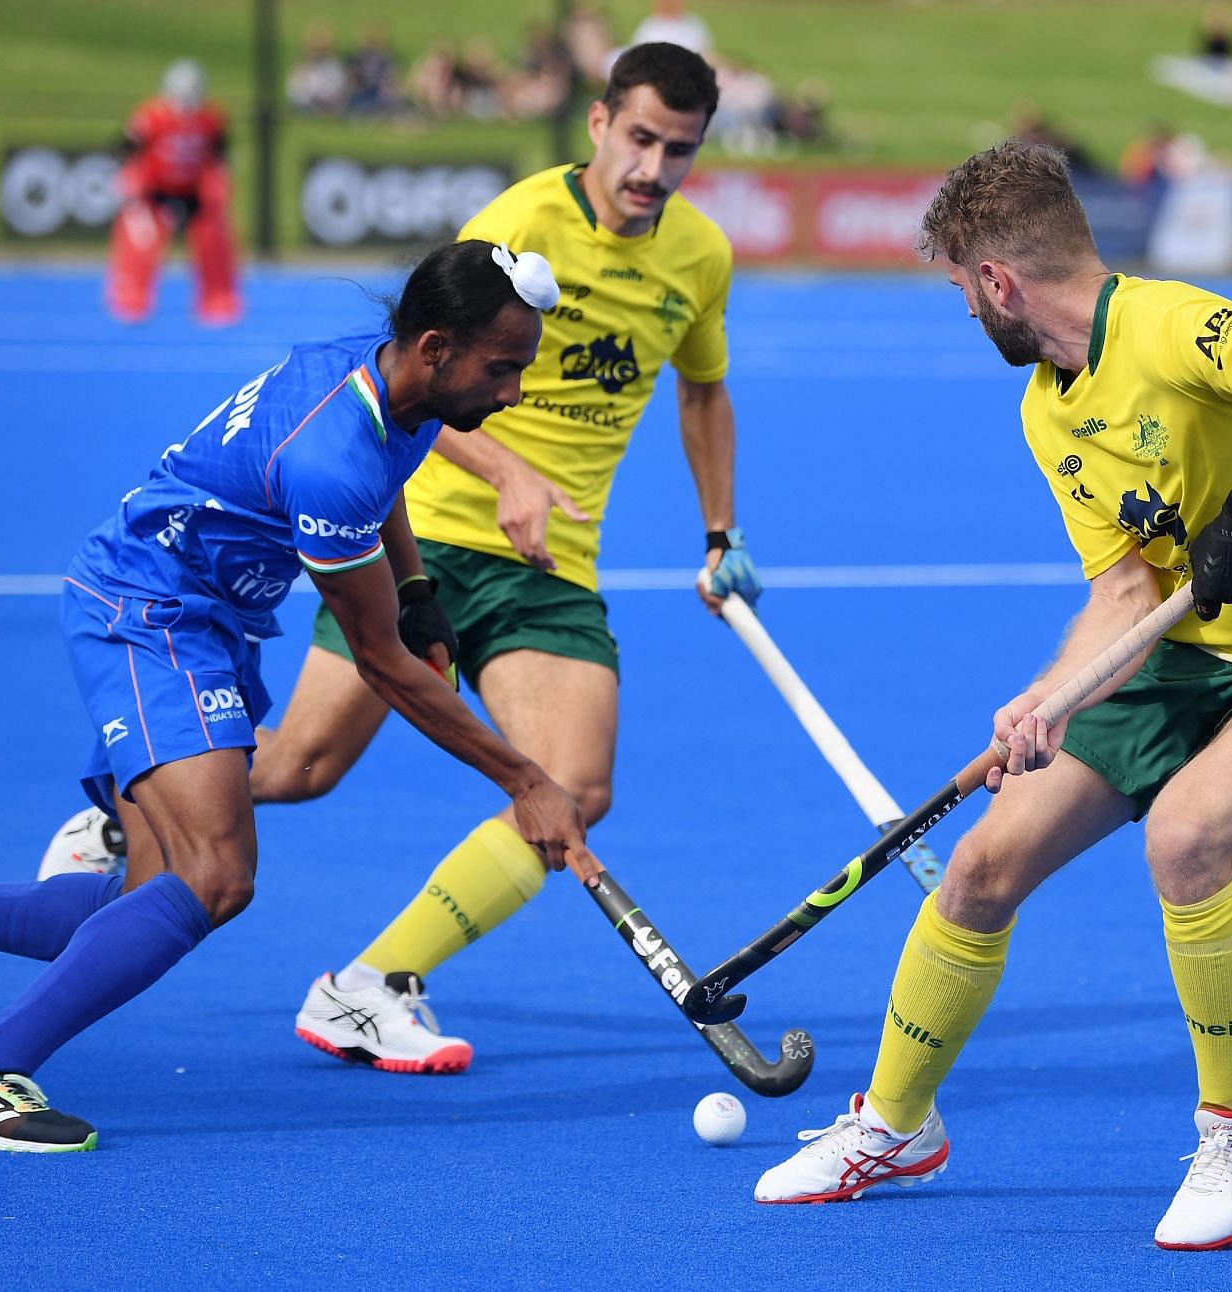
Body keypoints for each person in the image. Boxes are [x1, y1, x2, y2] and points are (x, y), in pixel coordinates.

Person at [754, 140, 1232, 1253]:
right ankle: (895, 1122)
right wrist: (1050, 695)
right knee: (979, 865)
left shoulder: (1166, 328)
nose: (968, 314)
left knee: (1188, 833)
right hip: (1190, 653)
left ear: (998, 282)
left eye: (964, 290)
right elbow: (1125, 586)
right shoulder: (1047, 406)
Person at [40, 42, 756, 1078]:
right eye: (639, 137)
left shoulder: (700, 256)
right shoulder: (518, 223)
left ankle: (371, 984)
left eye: (678, 149)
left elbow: (702, 392)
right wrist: (506, 471)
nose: (653, 166)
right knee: (299, 766)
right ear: (599, 123)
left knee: (574, 786)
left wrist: (721, 533)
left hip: (552, 562)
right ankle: (123, 816)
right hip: (415, 535)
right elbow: (419, 377)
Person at [0, 240, 588, 1151]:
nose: (512, 395)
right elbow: (379, 664)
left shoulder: (384, 378)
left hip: (202, 617)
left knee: (142, 901)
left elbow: (389, 478)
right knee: (215, 878)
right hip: (150, 613)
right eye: (502, 369)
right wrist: (526, 779)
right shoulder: (331, 452)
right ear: (434, 346)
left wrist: (417, 592)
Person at [106, 59, 241, 326]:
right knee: (140, 243)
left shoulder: (210, 118)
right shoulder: (150, 116)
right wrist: (127, 178)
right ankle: (131, 298)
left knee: (214, 241)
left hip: (194, 191)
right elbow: (127, 146)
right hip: (155, 191)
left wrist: (219, 184)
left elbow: (219, 153)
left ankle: (217, 300)